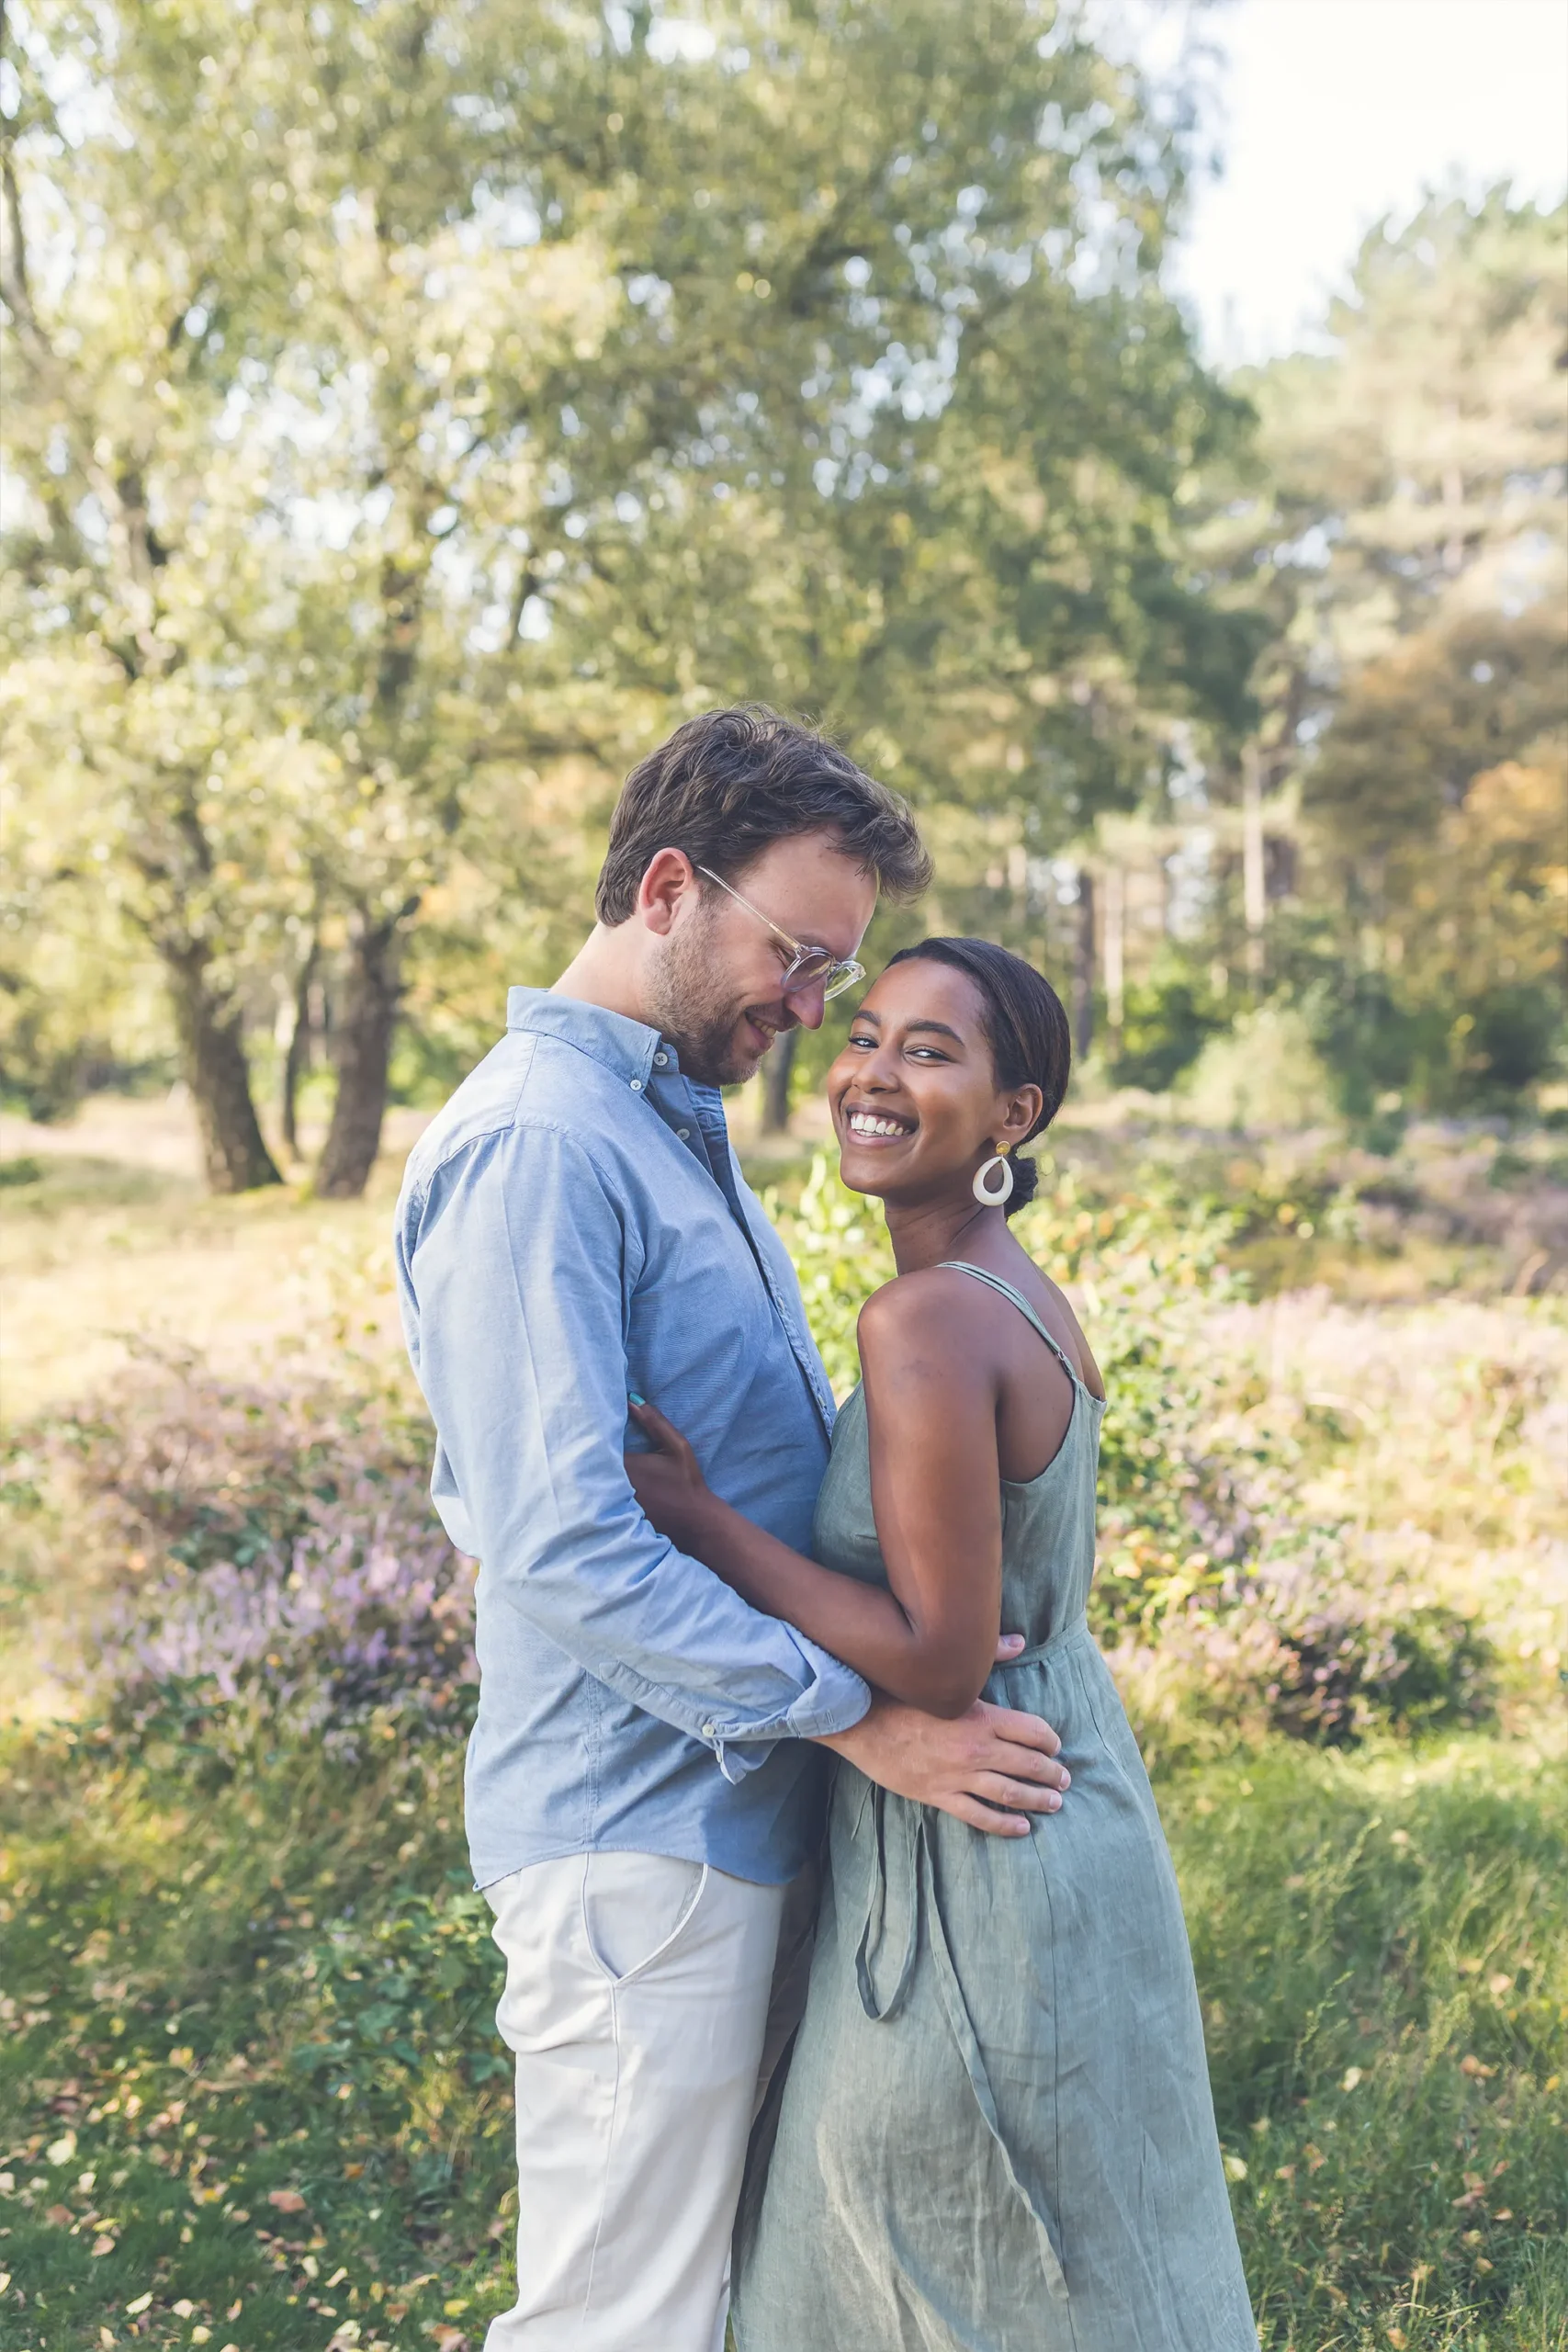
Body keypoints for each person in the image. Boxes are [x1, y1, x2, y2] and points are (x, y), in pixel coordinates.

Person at [392, 710, 1074, 2352]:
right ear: (668, 891)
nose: (814, 1008)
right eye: (799, 956)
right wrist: (862, 1719)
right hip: (638, 1838)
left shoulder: (662, 1128)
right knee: (617, 2324)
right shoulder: (539, 1143)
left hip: (733, 1824)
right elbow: (561, 1544)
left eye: (837, 971)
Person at [627, 935, 1259, 2352]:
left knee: (907, 2263)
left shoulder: (923, 1319)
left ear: (1011, 1114)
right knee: (1087, 2264)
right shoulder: (1016, 1290)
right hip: (1065, 1810)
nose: (871, 1073)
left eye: (928, 1051)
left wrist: (703, 1523)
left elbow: (938, 1661)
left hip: (979, 1855)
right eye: (864, 1036)